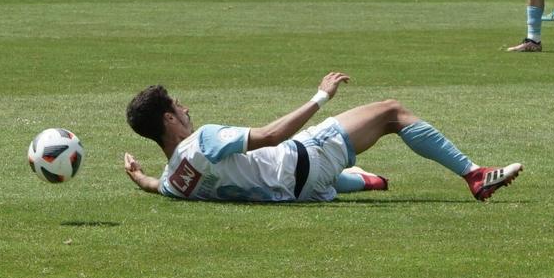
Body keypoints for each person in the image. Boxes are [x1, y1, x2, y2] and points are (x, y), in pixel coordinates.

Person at [122, 72, 521, 204]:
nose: (186, 108)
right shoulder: (204, 140)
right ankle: (474, 174)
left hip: (299, 193)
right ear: (169, 120)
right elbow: (270, 135)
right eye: (178, 106)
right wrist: (320, 97)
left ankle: (369, 181)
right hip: (305, 159)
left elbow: (158, 186)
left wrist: (140, 177)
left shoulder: (176, 181)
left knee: (327, 169)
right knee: (391, 112)